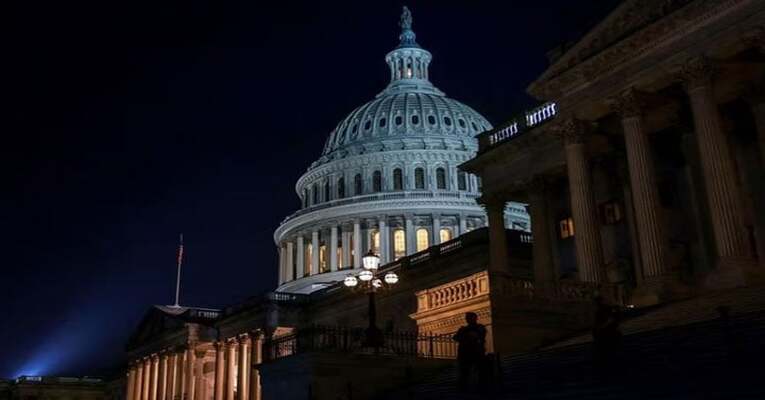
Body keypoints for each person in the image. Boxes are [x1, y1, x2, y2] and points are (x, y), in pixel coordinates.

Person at [453, 312, 487, 389]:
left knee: (480, 370)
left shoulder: (479, 327)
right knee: (464, 372)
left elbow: (480, 336)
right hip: (465, 354)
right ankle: (464, 386)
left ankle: (481, 385)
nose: (467, 319)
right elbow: (456, 337)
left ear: (474, 318)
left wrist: (468, 336)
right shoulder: (463, 329)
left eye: (469, 317)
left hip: (476, 352)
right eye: (467, 318)